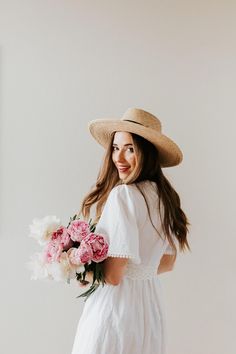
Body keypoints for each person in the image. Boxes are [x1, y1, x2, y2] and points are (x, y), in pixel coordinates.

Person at [71, 107, 190, 354]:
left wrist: (75, 268)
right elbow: (167, 262)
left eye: (130, 149)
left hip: (116, 310)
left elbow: (114, 276)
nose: (119, 158)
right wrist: (138, 271)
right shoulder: (165, 197)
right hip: (149, 307)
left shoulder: (124, 195)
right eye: (116, 148)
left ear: (146, 152)